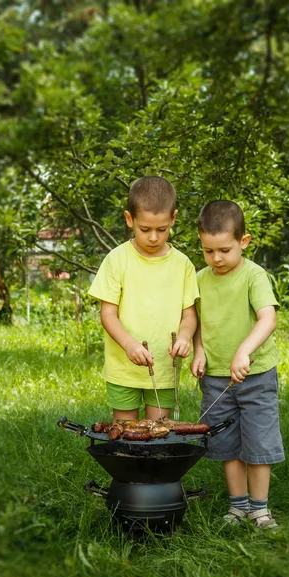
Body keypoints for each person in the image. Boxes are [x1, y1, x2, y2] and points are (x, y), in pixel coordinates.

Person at [191, 200, 284, 530]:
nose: (217, 259)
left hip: (256, 376)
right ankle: (238, 507)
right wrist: (198, 351)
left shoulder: (253, 275)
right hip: (216, 379)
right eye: (208, 251)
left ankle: (260, 510)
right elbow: (197, 322)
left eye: (225, 250)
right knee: (227, 444)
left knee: (258, 444)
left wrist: (244, 350)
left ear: (243, 242)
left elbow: (267, 318)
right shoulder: (200, 279)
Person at [88, 176, 199, 422]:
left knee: (158, 433)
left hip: (164, 368)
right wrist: (129, 345)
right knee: (126, 432)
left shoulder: (183, 265)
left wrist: (184, 337)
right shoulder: (117, 259)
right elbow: (108, 314)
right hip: (123, 368)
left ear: (173, 219)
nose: (153, 237)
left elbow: (189, 315)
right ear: (130, 220)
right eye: (144, 229)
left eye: (162, 229)